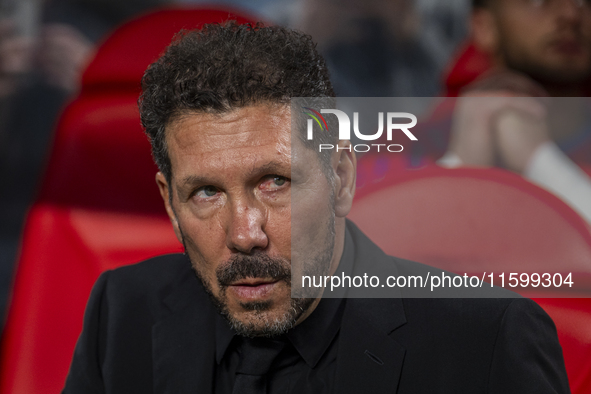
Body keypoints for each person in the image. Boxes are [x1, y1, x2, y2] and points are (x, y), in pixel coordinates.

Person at [63, 23, 570, 393]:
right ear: (169, 206)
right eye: (205, 193)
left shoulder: (488, 339)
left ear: (341, 178)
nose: (245, 234)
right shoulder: (123, 308)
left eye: (274, 182)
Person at [438, 0, 591, 223]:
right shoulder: (403, 146)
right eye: (539, 1)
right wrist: (461, 163)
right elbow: (379, 253)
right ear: (484, 26)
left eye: (586, 2)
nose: (571, 15)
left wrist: (539, 159)